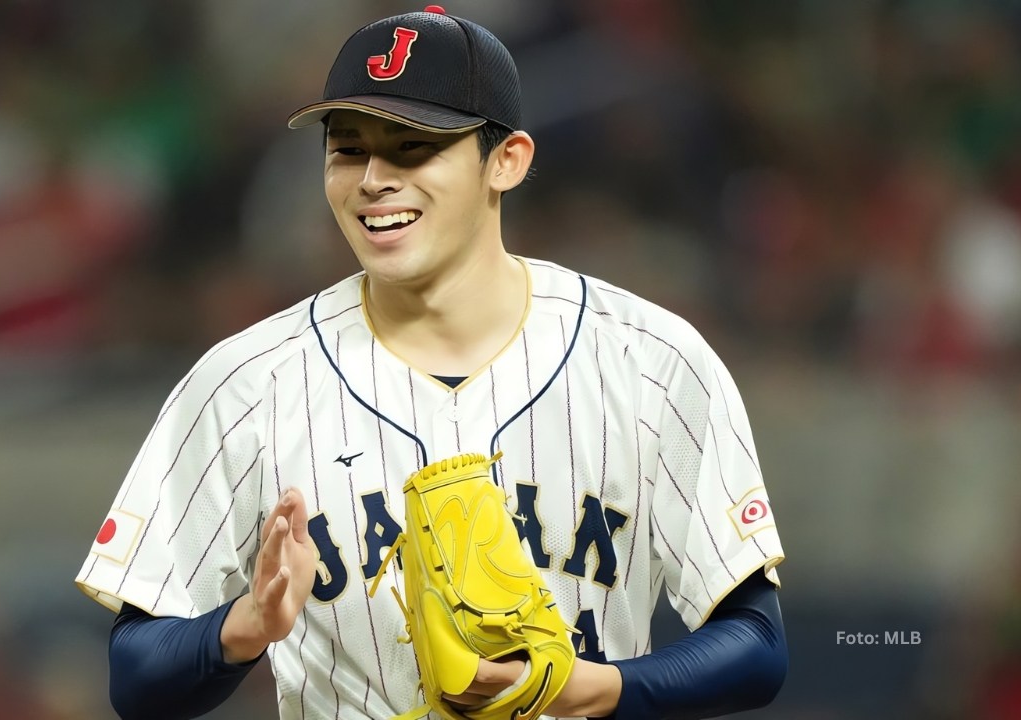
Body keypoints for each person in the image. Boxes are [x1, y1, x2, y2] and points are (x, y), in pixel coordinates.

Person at [75, 5, 788, 719]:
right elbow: (136, 677)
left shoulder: (652, 361)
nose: (374, 179)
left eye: (414, 148)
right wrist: (246, 627)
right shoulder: (244, 384)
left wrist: (597, 690)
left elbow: (756, 644)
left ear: (506, 160)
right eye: (348, 149)